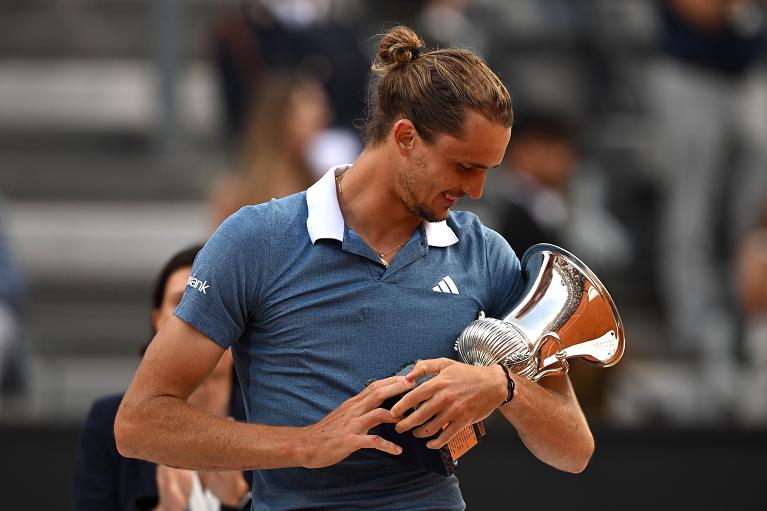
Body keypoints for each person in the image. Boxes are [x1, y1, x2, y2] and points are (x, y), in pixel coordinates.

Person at [115, 26, 594, 510]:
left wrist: (502, 387)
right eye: (465, 167)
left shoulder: (485, 254)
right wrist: (305, 444)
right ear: (405, 137)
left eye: (488, 171)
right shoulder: (256, 239)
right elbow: (140, 422)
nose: (477, 191)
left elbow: (574, 449)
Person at [73, 244, 251, 510]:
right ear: (157, 320)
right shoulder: (106, 423)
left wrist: (243, 500)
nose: (200, 317)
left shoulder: (273, 419)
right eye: (182, 301)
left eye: (216, 301)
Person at [209, 72, 332, 229]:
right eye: (310, 102)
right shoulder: (234, 192)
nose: (323, 114)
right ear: (281, 115)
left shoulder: (322, 185)